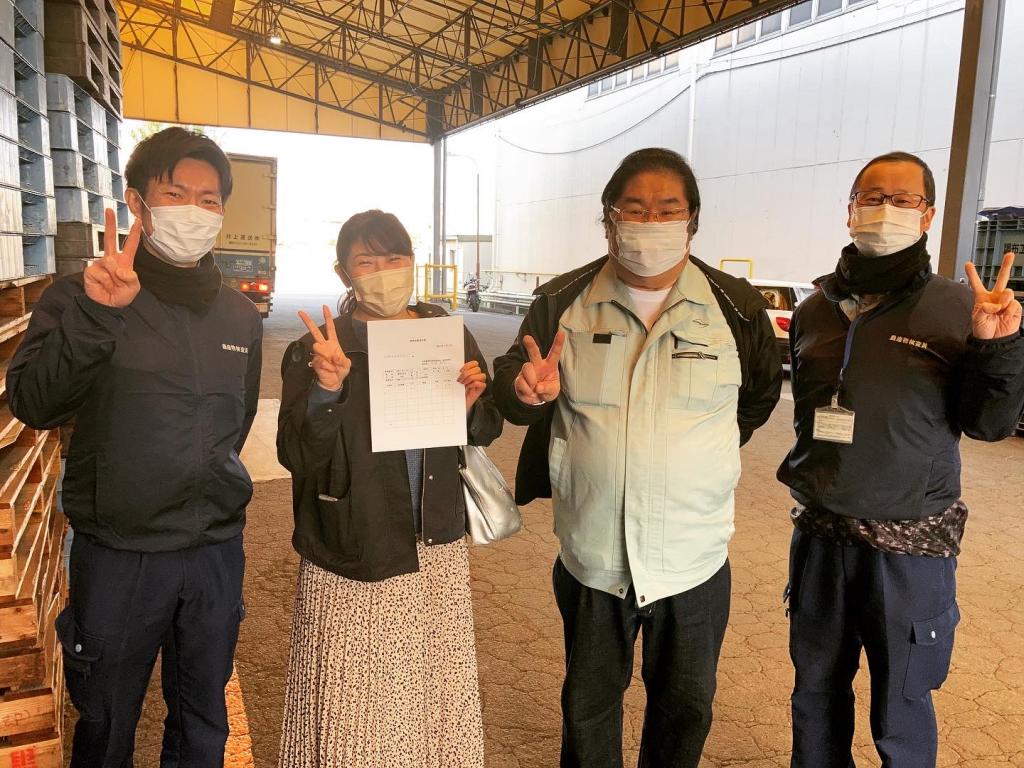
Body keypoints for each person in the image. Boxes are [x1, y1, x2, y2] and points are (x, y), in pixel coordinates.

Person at [492, 147, 782, 768]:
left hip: (693, 558)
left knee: (686, 708)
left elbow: (755, 400)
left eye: (667, 209)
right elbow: (516, 385)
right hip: (594, 555)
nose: (650, 222)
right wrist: (524, 392)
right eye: (634, 208)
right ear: (608, 219)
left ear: (692, 221)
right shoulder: (561, 300)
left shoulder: (736, 307)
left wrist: (695, 462)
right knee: (589, 705)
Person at [6, 127, 263, 767]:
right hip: (122, 553)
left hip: (212, 552)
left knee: (203, 720)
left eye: (209, 200)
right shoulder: (83, 295)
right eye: (176, 193)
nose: (195, 211)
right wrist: (97, 316)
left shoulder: (238, 316)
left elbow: (241, 417)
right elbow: (35, 402)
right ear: (137, 203)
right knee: (107, 721)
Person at [777, 151, 1024, 767]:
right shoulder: (812, 312)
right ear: (851, 209)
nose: (884, 209)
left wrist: (1000, 349)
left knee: (903, 702)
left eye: (903, 199)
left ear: (928, 215)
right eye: (872, 196)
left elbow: (989, 424)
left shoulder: (954, 307)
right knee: (815, 693)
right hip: (822, 538)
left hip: (910, 549)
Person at [276, 209, 503, 768]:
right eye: (367, 261)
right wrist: (326, 390)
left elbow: (487, 427)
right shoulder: (322, 348)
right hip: (357, 541)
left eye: (395, 257)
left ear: (413, 262)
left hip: (435, 541)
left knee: (431, 686)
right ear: (343, 271)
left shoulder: (446, 332)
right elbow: (296, 454)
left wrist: (471, 407)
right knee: (357, 694)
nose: (384, 271)